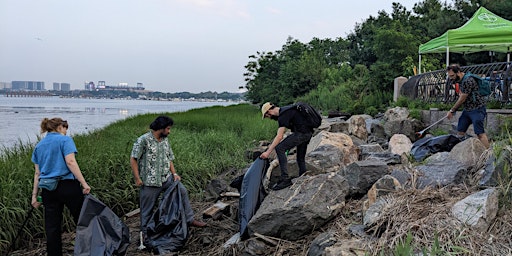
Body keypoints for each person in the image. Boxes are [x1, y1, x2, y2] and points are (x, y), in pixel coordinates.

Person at [130, 115, 206, 245]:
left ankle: (189, 219)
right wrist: (137, 178)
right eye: (168, 128)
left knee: (182, 191)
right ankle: (145, 236)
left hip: (167, 178)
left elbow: (169, 157)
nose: (169, 131)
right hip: (150, 182)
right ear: (161, 128)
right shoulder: (143, 140)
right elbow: (133, 159)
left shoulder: (165, 140)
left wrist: (174, 173)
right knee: (146, 209)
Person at [30, 118, 91, 256]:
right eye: (65, 128)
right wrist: (84, 183)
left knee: (52, 227)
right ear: (59, 127)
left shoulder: (39, 145)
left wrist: (34, 196)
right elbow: (70, 162)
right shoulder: (65, 140)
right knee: (82, 220)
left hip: (48, 189)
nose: (66, 131)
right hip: (67, 185)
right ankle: (89, 251)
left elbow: (37, 173)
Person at [259, 102, 313, 190]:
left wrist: (268, 152)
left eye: (267, 116)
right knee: (300, 158)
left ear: (269, 112)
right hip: (308, 133)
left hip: (302, 134)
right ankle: (303, 176)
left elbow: (279, 136)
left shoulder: (282, 115)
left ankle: (285, 179)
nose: (269, 118)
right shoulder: (287, 110)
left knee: (280, 148)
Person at [446, 64, 490, 148]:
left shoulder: (468, 80)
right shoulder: (461, 80)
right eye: (449, 76)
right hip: (467, 110)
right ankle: (464, 150)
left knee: (480, 134)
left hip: (477, 109)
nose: (451, 78)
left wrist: (452, 110)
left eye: (452, 75)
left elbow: (462, 98)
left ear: (458, 72)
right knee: (460, 131)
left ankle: (489, 154)